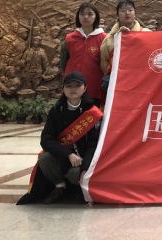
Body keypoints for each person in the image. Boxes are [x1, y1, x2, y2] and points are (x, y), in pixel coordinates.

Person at [16, 71, 102, 205]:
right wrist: (68, 154)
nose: (73, 89)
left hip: (82, 159)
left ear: (85, 88)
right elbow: (46, 139)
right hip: (62, 156)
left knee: (75, 175)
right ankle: (59, 186)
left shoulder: (92, 113)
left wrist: (86, 168)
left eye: (77, 85)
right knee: (45, 159)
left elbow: (94, 144)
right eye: (69, 86)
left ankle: (77, 188)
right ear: (63, 89)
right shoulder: (57, 110)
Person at [60, 2, 107, 107]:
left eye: (90, 14)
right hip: (72, 86)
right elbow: (63, 63)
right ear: (78, 16)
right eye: (82, 14)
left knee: (92, 115)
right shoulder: (69, 38)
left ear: (96, 16)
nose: (86, 17)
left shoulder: (104, 38)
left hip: (94, 86)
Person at [100, 0, 150, 86]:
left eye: (130, 10)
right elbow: (104, 62)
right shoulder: (110, 38)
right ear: (117, 15)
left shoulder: (146, 34)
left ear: (135, 14)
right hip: (117, 82)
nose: (127, 13)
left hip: (141, 81)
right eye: (123, 11)